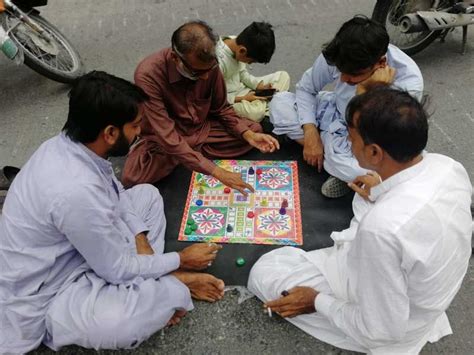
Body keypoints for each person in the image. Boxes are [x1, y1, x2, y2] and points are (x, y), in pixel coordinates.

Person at [0, 71, 227, 353]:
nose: (140, 132)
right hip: (50, 288)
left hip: (77, 247)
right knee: (121, 323)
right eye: (135, 126)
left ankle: (150, 276)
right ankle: (171, 283)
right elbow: (116, 269)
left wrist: (140, 237)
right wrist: (180, 259)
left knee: (147, 196)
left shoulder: (68, 146)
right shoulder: (75, 191)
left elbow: (115, 191)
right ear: (109, 133)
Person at [248, 88, 472, 354]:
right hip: (427, 291)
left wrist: (316, 301)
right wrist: (380, 191)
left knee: (266, 270)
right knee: (364, 197)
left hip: (395, 326)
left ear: (375, 152)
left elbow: (380, 330)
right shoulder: (448, 166)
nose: (347, 142)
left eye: (350, 137)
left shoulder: (382, 229)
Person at [269, 15, 423, 198]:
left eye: (351, 76)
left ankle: (340, 168)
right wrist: (310, 132)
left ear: (380, 63)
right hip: (332, 111)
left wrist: (369, 90)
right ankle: (331, 161)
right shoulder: (340, 54)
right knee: (279, 103)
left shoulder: (409, 84)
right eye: (341, 72)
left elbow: (380, 136)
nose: (343, 79)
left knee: (370, 174)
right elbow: (306, 89)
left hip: (365, 135)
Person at [122, 21, 280, 194]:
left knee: (253, 129)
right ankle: (190, 156)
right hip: (167, 137)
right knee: (133, 175)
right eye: (197, 73)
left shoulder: (210, 65)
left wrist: (248, 135)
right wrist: (217, 172)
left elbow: (222, 109)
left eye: (210, 70)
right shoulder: (148, 75)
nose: (206, 77)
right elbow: (166, 135)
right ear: (176, 58)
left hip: (202, 130)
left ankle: (188, 157)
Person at [216, 21, 290, 123]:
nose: (250, 64)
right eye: (251, 61)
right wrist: (243, 98)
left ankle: (268, 107)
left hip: (246, 90)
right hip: (230, 99)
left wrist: (258, 86)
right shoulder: (218, 62)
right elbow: (215, 98)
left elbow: (243, 74)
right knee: (255, 112)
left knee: (283, 76)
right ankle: (270, 107)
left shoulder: (236, 41)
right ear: (242, 51)